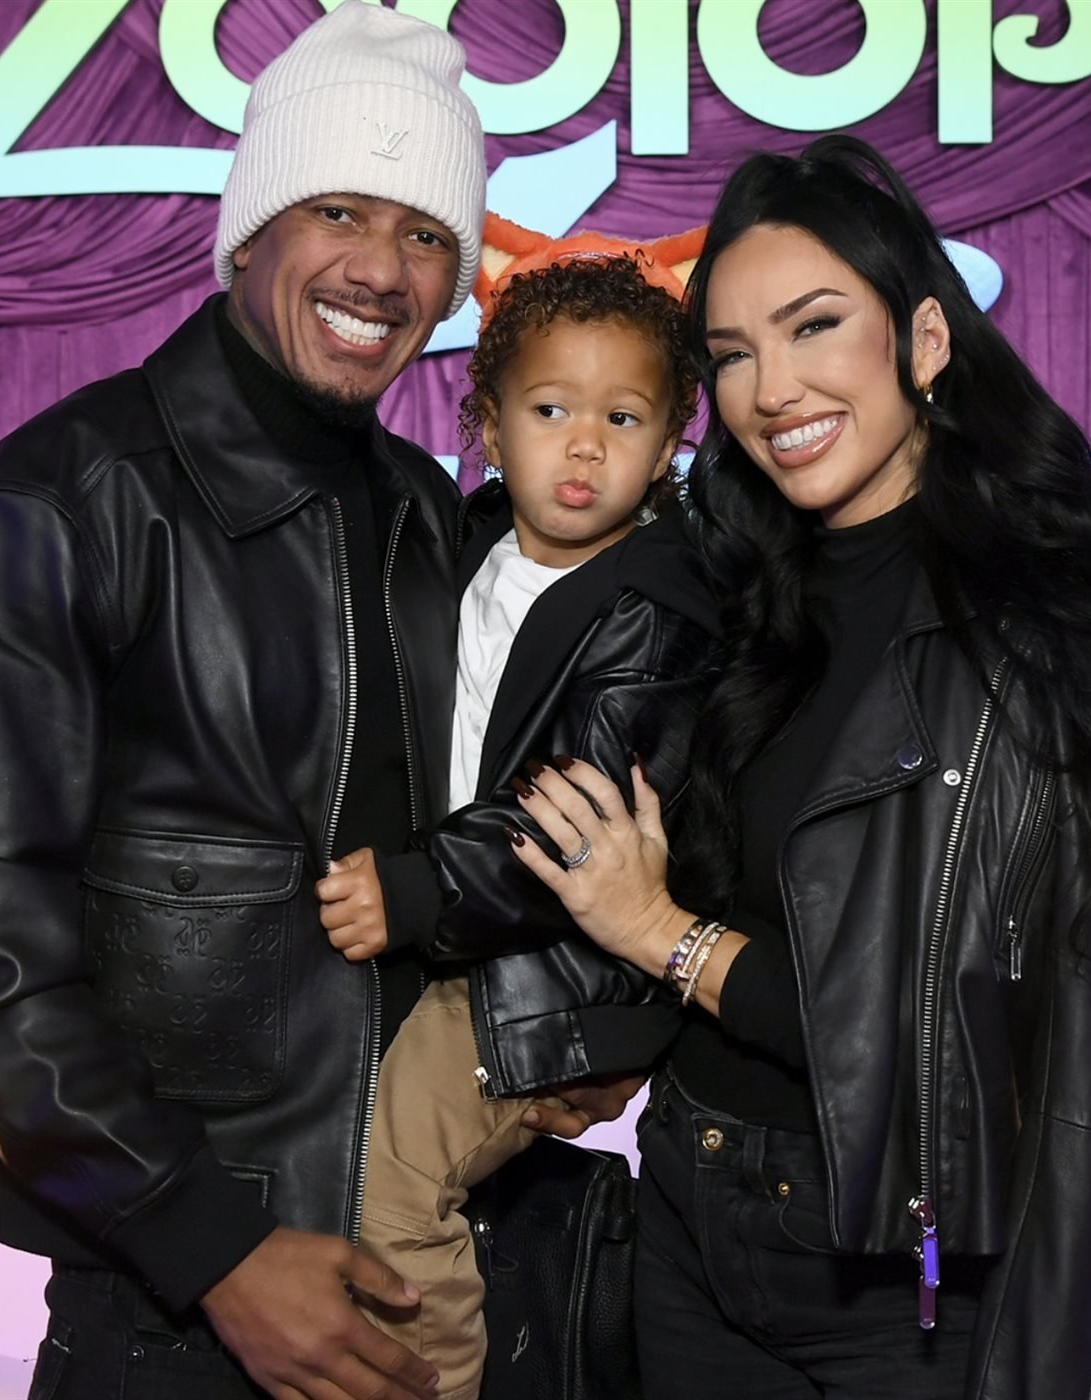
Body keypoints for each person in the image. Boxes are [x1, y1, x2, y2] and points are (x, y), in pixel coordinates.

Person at [0, 6, 623, 1398]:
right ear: (248, 233)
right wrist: (211, 1248)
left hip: (428, 1286)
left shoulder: (425, 514)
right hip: (176, 1325)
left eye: (426, 234)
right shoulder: (63, 503)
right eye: (339, 209)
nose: (381, 270)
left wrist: (563, 1029)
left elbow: (460, 859)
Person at [505, 136, 1091, 1400]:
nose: (771, 388)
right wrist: (617, 1032)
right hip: (687, 1211)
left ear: (925, 340)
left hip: (902, 1269)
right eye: (732, 354)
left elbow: (934, 1032)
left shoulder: (1045, 635)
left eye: (813, 326)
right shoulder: (732, 593)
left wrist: (660, 936)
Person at [315, 254, 720, 1399]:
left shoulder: (658, 607)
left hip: (543, 966)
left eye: (621, 419)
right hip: (446, 942)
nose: (582, 447)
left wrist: (418, 887)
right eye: (549, 411)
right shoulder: (458, 545)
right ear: (488, 423)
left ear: (670, 440)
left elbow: (575, 816)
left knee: (387, 1189)